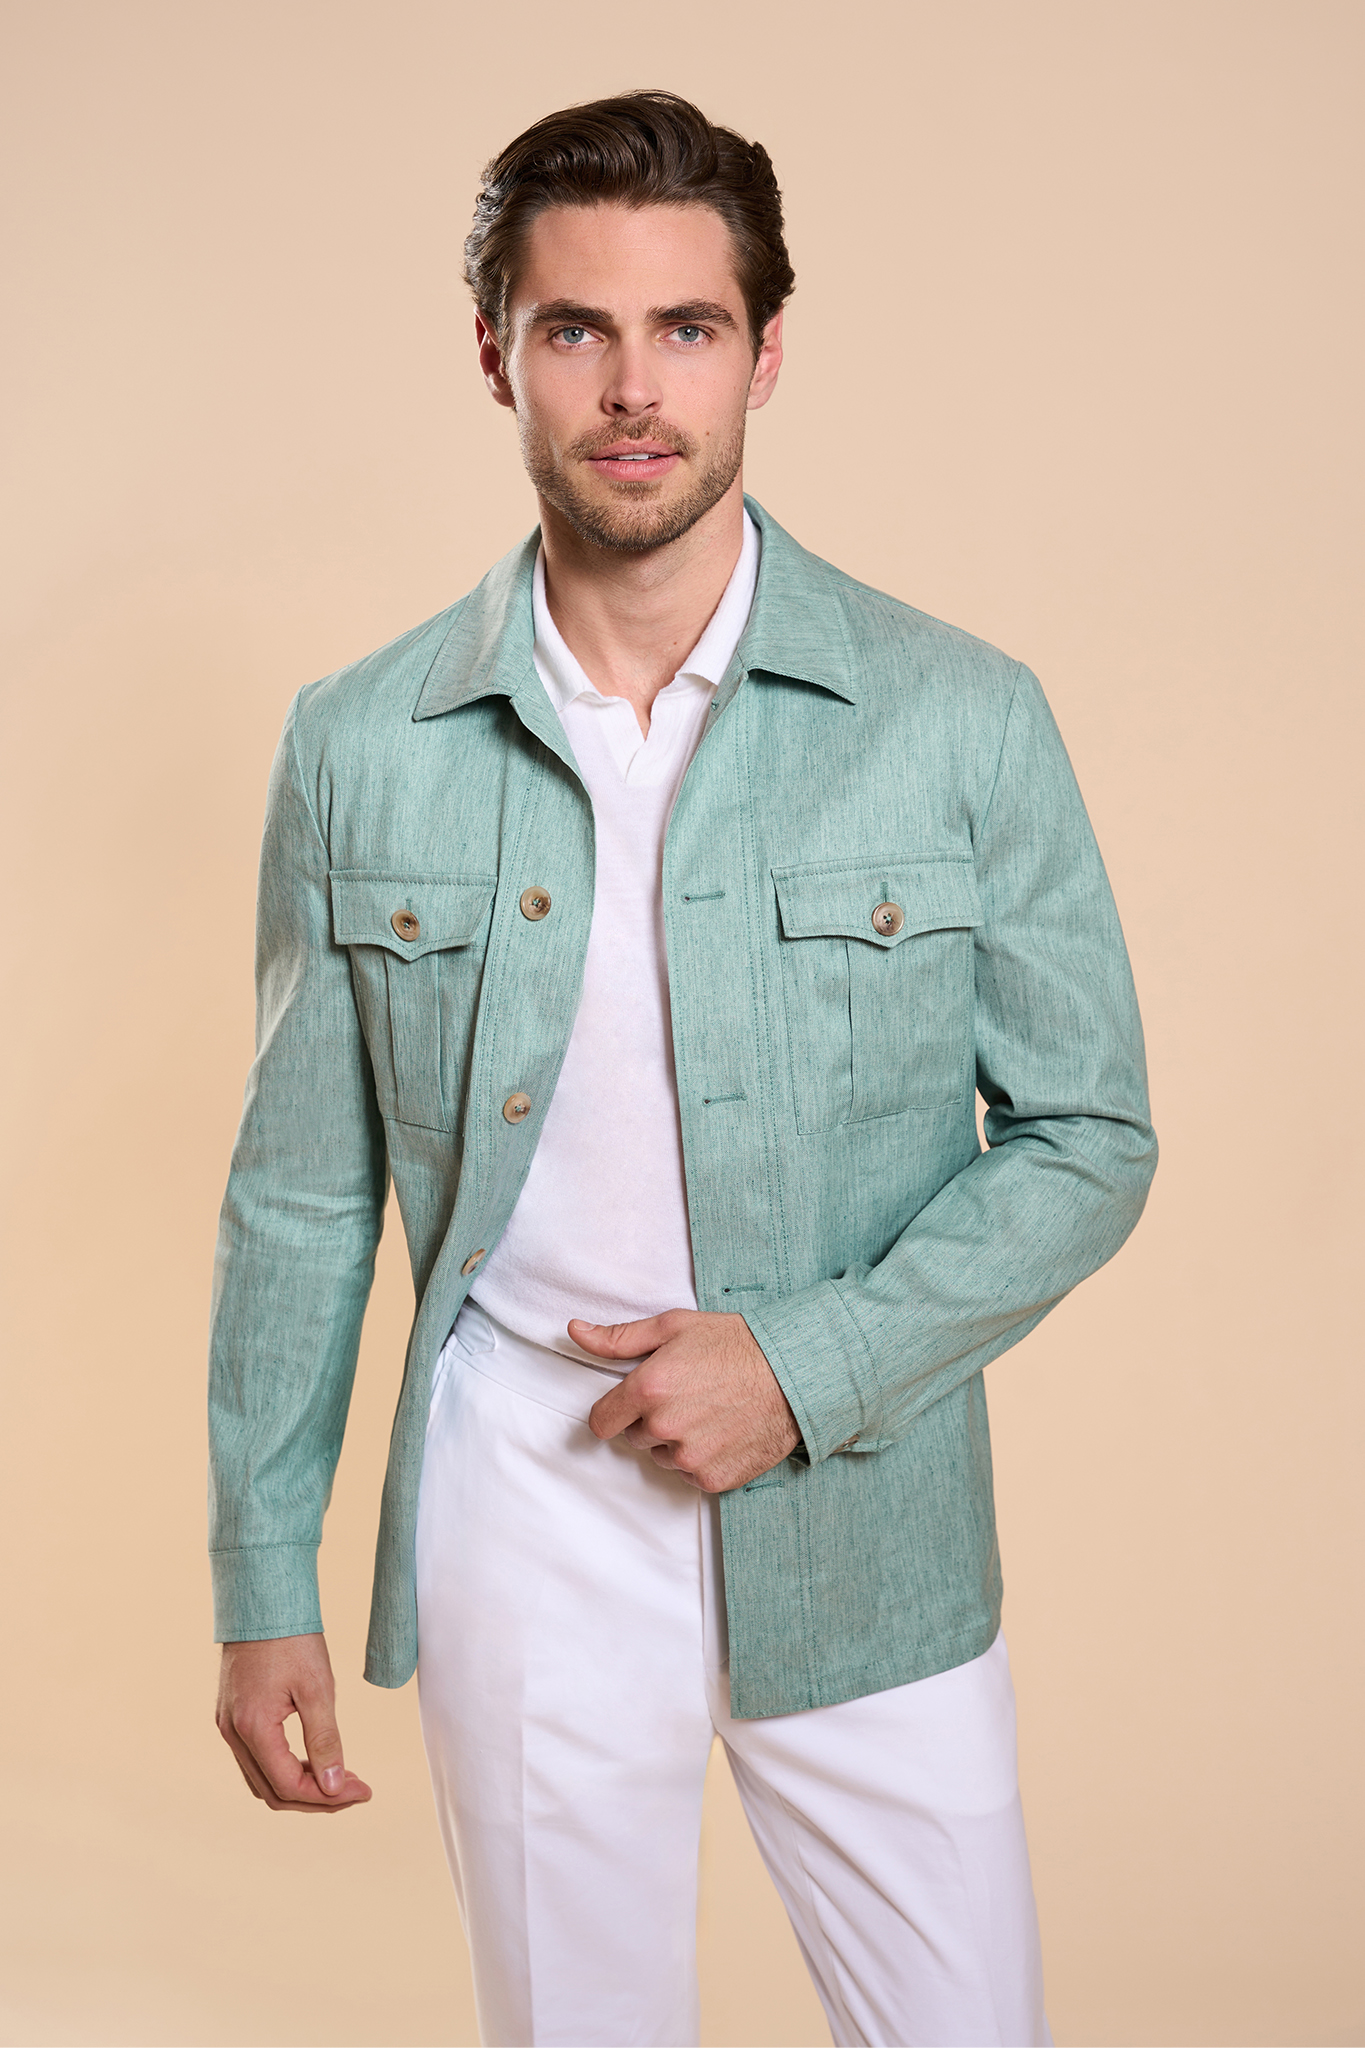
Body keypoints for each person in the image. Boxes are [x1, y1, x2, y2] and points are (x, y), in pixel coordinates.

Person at [209, 90, 1157, 2048]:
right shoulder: (356, 742)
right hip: (521, 1500)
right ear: (496, 354)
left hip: (868, 1506)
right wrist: (259, 1573)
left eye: (686, 328)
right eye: (575, 328)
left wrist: (800, 1367)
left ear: (764, 351)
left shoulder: (956, 716)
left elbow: (1086, 1135)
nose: (633, 388)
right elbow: (297, 1195)